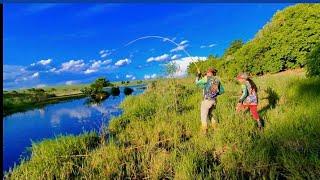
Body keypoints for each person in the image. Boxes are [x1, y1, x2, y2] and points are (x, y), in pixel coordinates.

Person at [195, 68, 224, 133]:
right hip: (214, 101)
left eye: (207, 72)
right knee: (210, 115)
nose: (206, 73)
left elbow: (197, 83)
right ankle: (216, 128)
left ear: (209, 73)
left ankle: (204, 132)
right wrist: (213, 93)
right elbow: (222, 91)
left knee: (203, 117)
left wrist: (198, 74)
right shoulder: (217, 79)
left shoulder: (206, 78)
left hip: (207, 101)